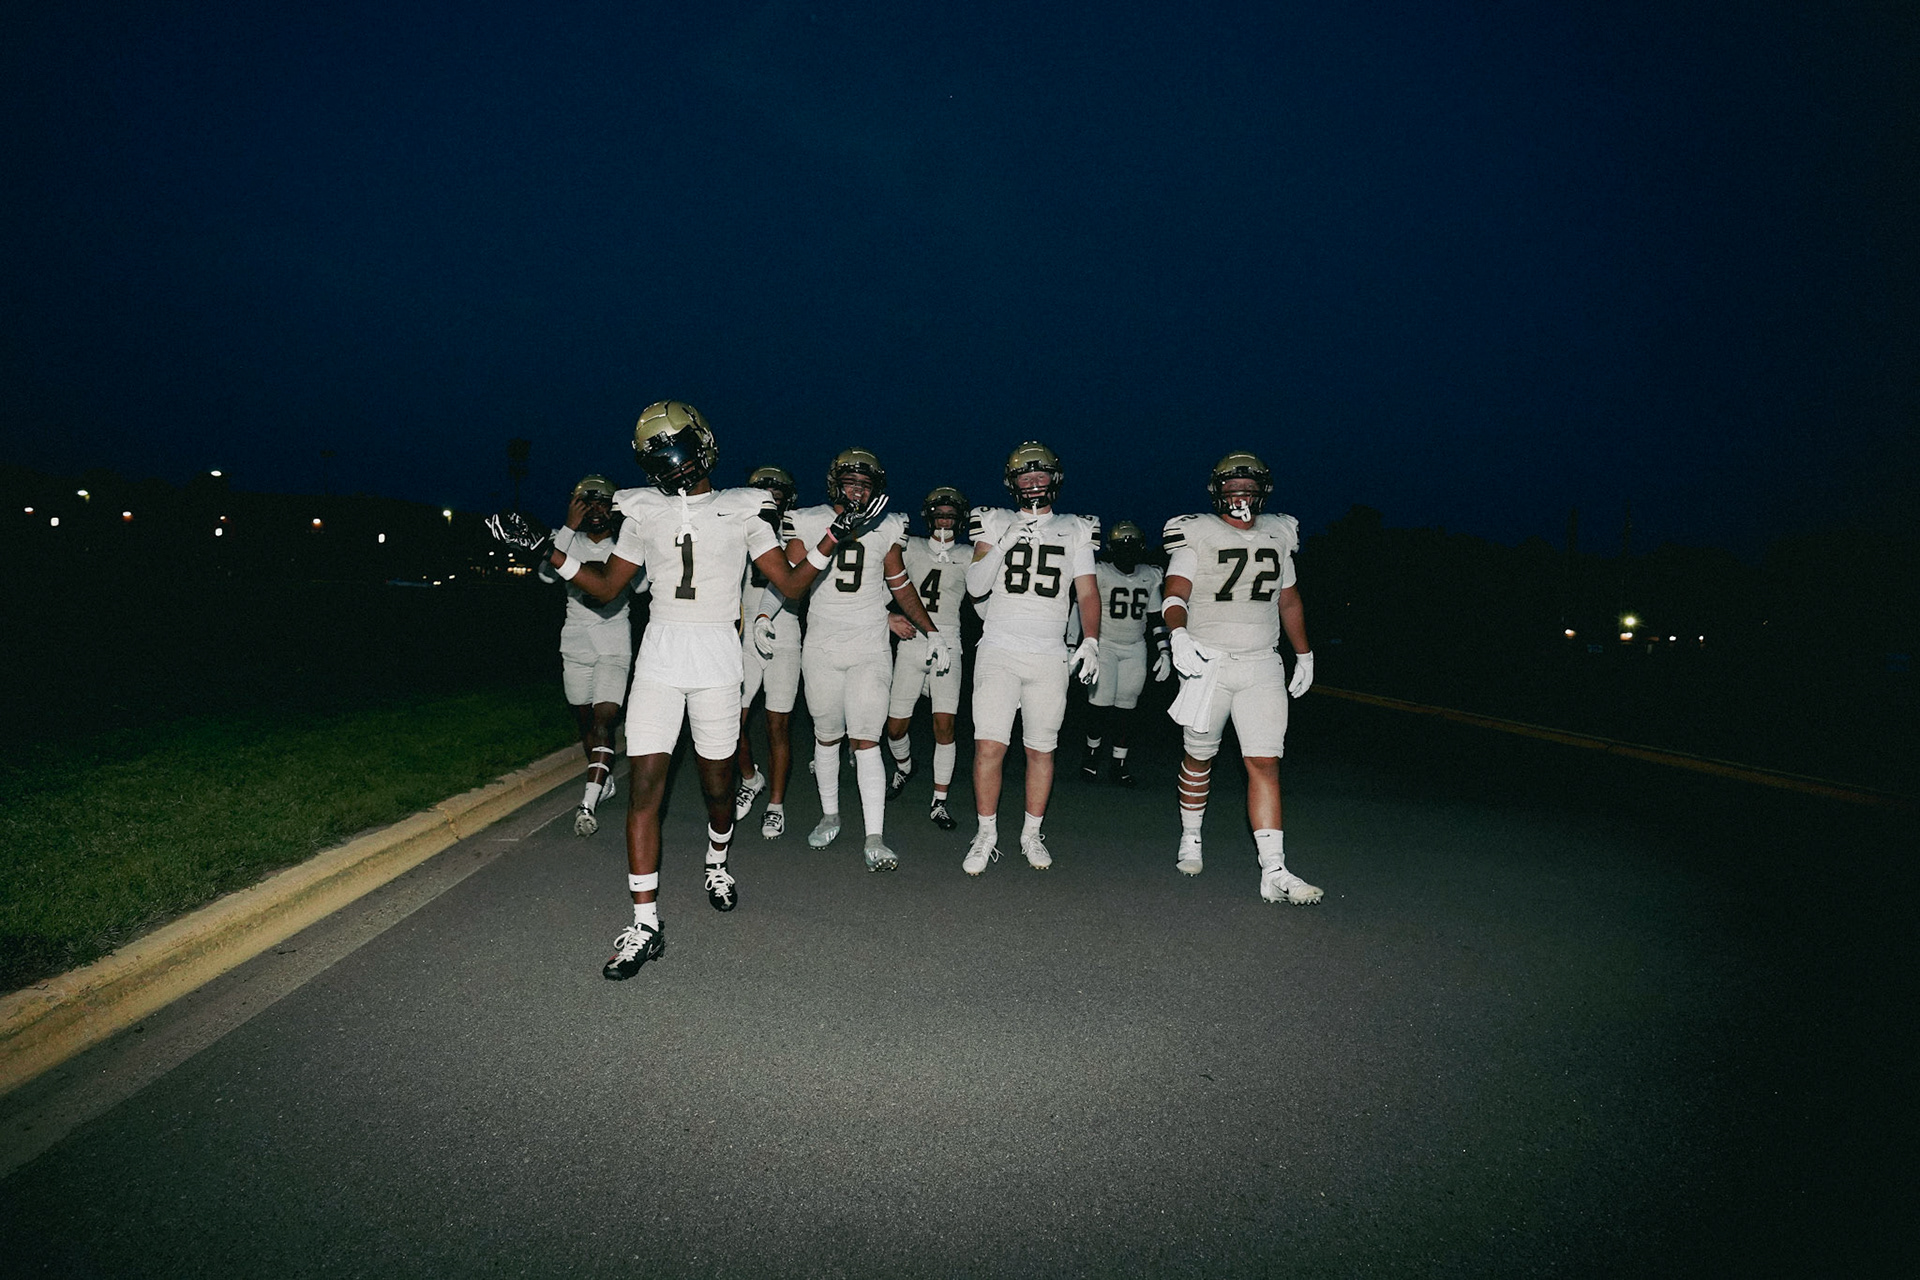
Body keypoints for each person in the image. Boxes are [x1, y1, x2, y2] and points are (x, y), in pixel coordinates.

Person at [486, 401, 873, 979]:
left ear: (703, 445)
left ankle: (717, 862)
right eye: (659, 456)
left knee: (719, 788)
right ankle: (645, 923)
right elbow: (606, 588)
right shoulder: (643, 510)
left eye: (678, 449)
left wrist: (835, 535)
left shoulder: (744, 507)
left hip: (717, 654)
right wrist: (549, 549)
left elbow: (791, 584)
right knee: (645, 785)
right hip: (660, 655)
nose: (672, 463)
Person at [1160, 451, 1321, 904]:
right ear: (1217, 493)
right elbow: (1175, 593)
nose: (1240, 496)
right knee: (1199, 756)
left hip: (1261, 663)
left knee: (1264, 762)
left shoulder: (1278, 533)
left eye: (1248, 489)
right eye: (1232, 489)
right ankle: (1191, 835)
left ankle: (1274, 869)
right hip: (1207, 661)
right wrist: (1177, 634)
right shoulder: (1196, 532)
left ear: (1262, 492)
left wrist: (1304, 653)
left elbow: (1289, 600)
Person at [778, 449, 950, 871]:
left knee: (867, 739)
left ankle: (875, 836)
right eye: (851, 482)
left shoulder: (888, 525)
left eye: (865, 484)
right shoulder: (806, 520)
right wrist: (765, 614)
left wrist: (932, 630)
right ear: (835, 482)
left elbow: (900, 584)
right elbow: (790, 580)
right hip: (822, 645)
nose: (857, 490)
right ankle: (830, 815)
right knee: (826, 736)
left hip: (869, 646)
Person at [962, 442, 1101, 875]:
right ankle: (986, 833)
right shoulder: (994, 521)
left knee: (1041, 749)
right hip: (999, 648)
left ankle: (1031, 833)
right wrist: (1004, 542)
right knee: (989, 746)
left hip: (1048, 653)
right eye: (1026, 476)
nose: (1034, 483)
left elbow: (1087, 592)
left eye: (1041, 475)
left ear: (1054, 479)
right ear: (1013, 482)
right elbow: (975, 586)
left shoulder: (1075, 528)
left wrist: (1091, 640)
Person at [536, 473, 643, 836]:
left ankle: (587, 803)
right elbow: (546, 577)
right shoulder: (565, 539)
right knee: (585, 724)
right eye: (588, 503)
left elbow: (642, 585)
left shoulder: (625, 544)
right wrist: (569, 527)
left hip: (614, 644)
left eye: (602, 503)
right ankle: (603, 779)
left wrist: (629, 537)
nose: (596, 510)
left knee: (603, 722)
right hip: (576, 643)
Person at [882, 487, 972, 830]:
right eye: (940, 514)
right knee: (895, 728)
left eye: (951, 515)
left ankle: (939, 801)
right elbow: (879, 583)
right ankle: (905, 767)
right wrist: (886, 617)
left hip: (948, 643)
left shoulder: (967, 554)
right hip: (912, 640)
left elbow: (984, 593)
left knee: (944, 725)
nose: (945, 520)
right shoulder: (912, 547)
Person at [732, 465, 801, 840]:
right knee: (732, 721)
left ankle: (776, 805)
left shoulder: (795, 530)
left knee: (778, 725)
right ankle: (750, 779)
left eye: (777, 494)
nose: (771, 499)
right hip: (745, 636)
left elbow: (794, 581)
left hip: (784, 633)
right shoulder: (741, 528)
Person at [1076, 520, 1171, 787]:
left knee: (1127, 709)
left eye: (1132, 546)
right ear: (1111, 548)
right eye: (1122, 546)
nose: (1127, 552)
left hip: (1134, 647)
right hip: (1104, 644)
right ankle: (1091, 756)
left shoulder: (1149, 575)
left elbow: (1155, 616)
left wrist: (1164, 650)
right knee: (1100, 706)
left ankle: (1119, 763)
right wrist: (1075, 644)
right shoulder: (1101, 572)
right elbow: (1080, 606)